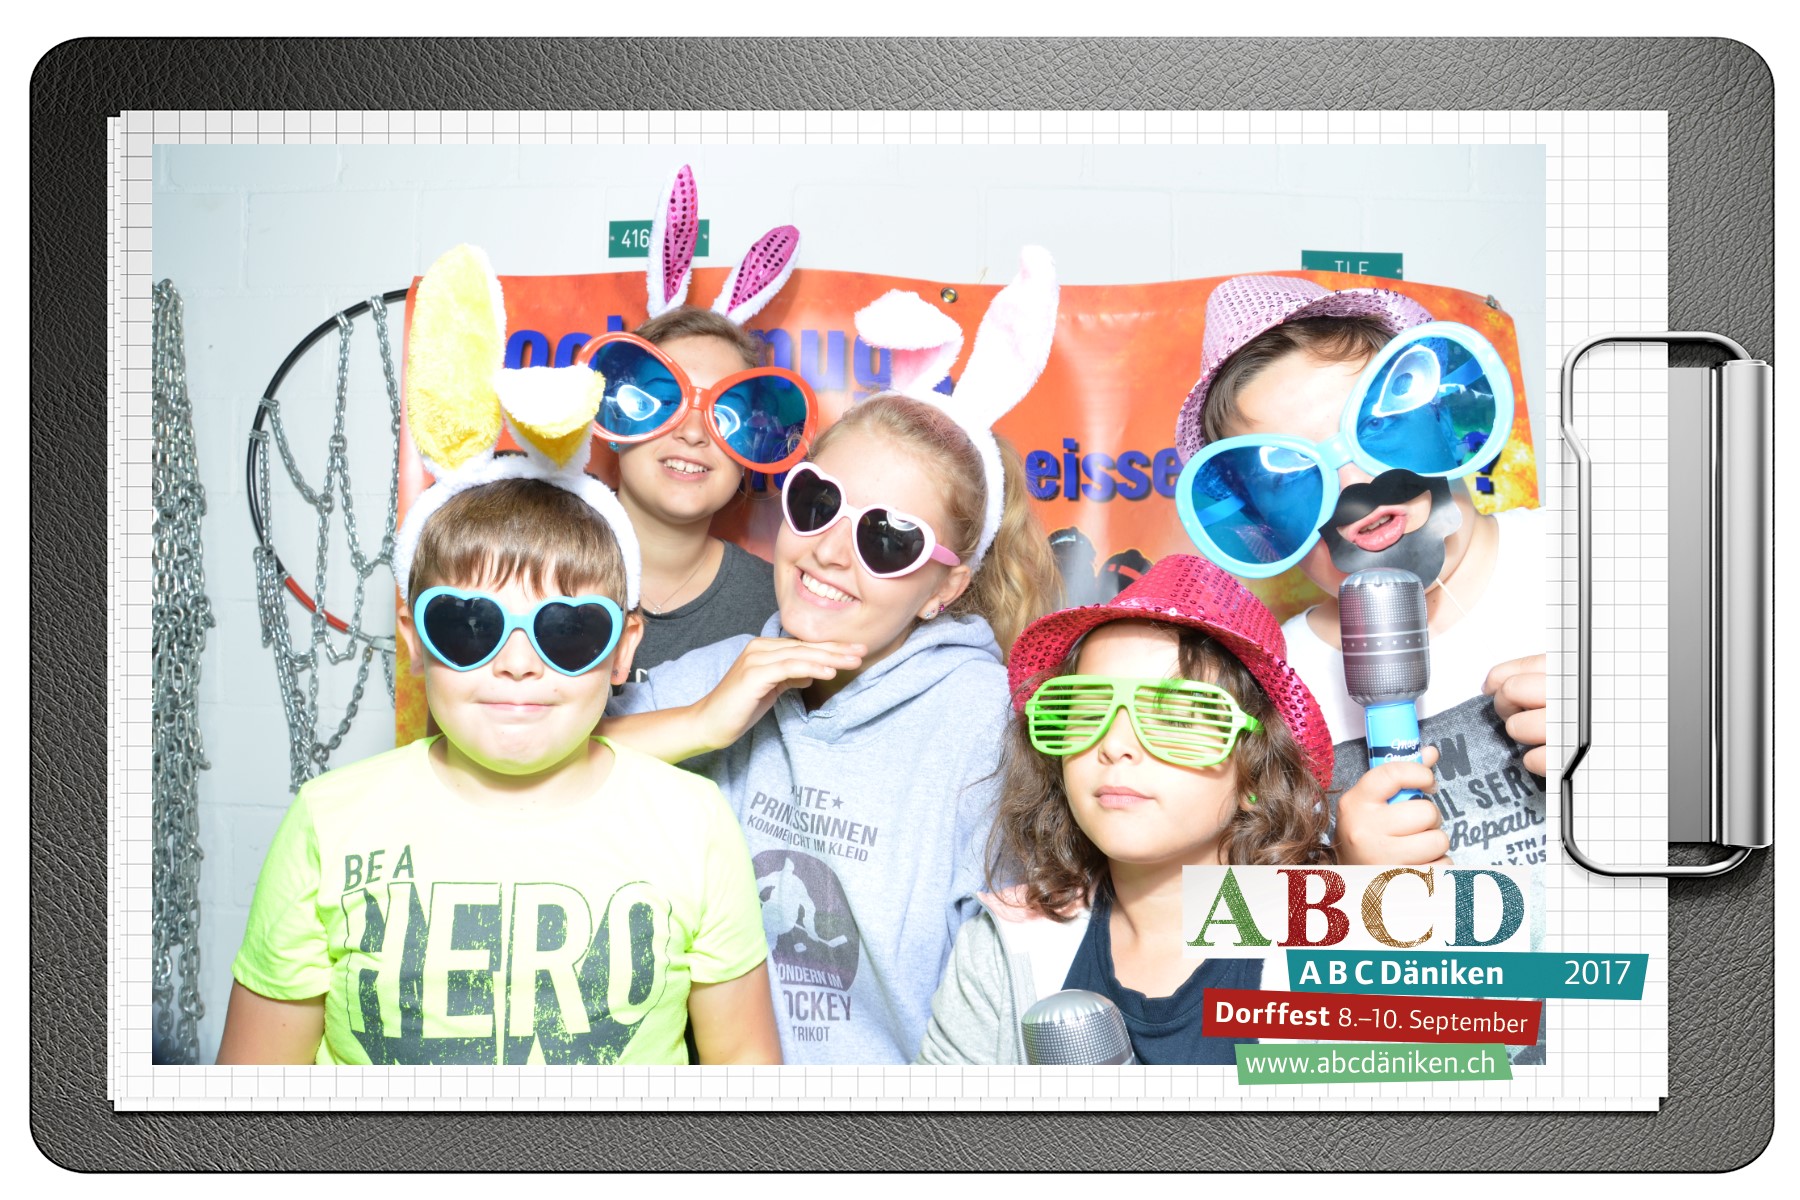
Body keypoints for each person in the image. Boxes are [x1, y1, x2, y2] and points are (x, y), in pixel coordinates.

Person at [217, 244, 779, 1066]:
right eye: (470, 625)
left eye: (569, 631)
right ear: (413, 637)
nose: (517, 662)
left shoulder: (696, 828)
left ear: (623, 645)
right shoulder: (328, 825)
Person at [605, 250, 1064, 1064]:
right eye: (817, 503)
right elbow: (535, 766)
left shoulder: (988, 725)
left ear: (944, 589)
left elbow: (1019, 1003)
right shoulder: (733, 671)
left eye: (888, 538)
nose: (828, 551)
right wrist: (703, 723)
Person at [915, 554, 1447, 1066]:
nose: (1114, 745)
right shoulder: (998, 947)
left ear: (1256, 773)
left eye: (1176, 717)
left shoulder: (1340, 942)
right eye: (1086, 710)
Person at [1174, 275, 1549, 870]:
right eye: (1287, 473)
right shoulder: (1274, 693)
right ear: (1257, 519)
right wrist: (1350, 881)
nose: (1355, 488)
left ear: (1441, 417)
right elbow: (1235, 913)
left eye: (1377, 425)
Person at [589, 164, 813, 675]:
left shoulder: (781, 610)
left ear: (751, 450)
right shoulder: (536, 564)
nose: (693, 432)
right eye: (663, 402)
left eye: (725, 415)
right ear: (615, 418)